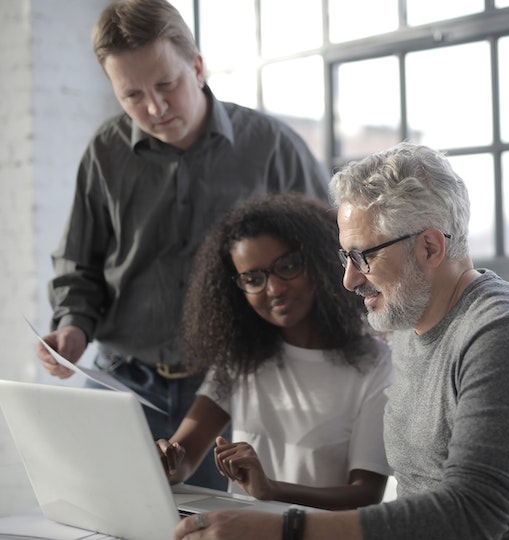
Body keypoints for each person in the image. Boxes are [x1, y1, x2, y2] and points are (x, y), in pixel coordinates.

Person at [174, 141, 509, 539]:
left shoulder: (505, 335)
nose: (348, 279)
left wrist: (284, 531)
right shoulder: (408, 327)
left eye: (364, 256)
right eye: (345, 256)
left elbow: (473, 515)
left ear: (430, 247)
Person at [34, 0, 330, 490]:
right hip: (121, 381)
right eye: (132, 95)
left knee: (221, 528)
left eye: (166, 84)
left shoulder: (272, 146)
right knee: (103, 519)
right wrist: (72, 329)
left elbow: (325, 259)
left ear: (196, 66)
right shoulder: (104, 153)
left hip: (238, 388)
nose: (154, 108)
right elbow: (78, 264)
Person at [155, 194, 391, 510]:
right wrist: (166, 462)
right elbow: (183, 458)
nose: (274, 288)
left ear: (319, 261)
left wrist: (271, 489)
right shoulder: (241, 357)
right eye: (253, 278)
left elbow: (366, 494)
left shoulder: (375, 363)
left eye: (288, 266)